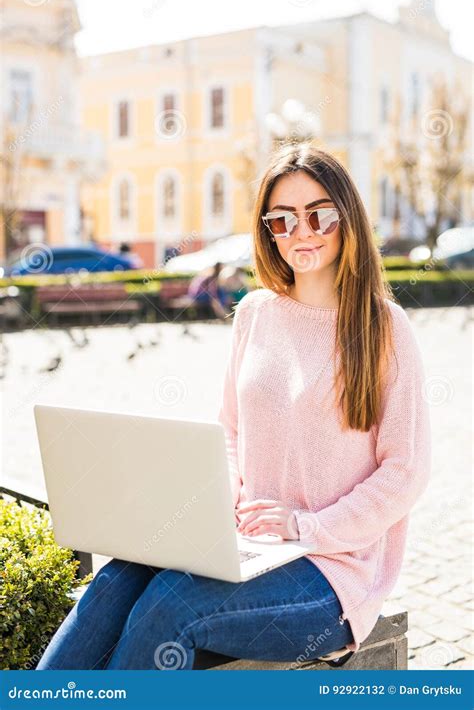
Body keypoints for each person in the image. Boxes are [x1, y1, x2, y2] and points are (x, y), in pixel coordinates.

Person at [36, 142, 431, 670]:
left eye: (320, 215)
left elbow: (405, 472)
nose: (302, 232)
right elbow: (231, 432)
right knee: (117, 576)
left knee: (170, 607)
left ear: (348, 217)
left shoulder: (384, 328)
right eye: (282, 220)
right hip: (248, 547)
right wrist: (214, 509)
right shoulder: (256, 314)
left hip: (332, 570)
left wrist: (305, 526)